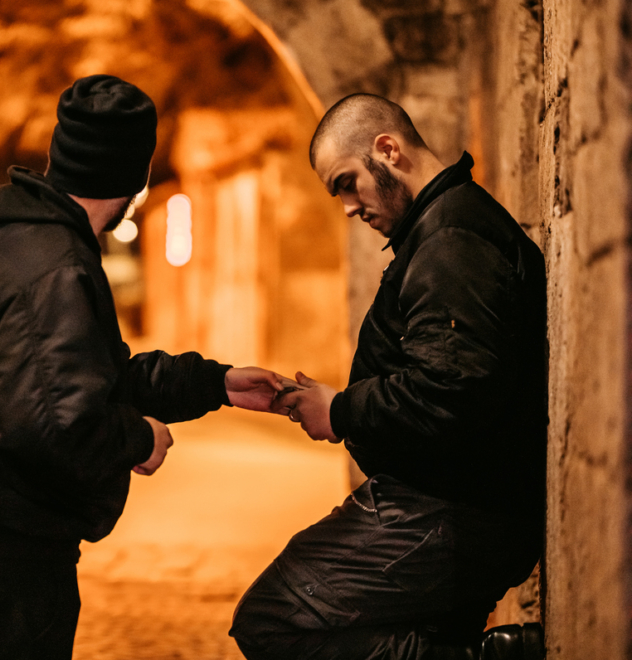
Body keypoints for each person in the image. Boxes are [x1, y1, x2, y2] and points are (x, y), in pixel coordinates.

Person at [0, 74, 287, 660]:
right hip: (3, 542)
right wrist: (138, 438)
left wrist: (216, 384)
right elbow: (53, 424)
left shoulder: (18, 240)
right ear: (137, 178)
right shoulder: (54, 266)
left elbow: (98, 374)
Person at [229, 94, 547, 660]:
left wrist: (343, 409)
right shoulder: (438, 231)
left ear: (388, 149)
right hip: (446, 506)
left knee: (272, 619)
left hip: (449, 512)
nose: (349, 207)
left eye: (348, 183)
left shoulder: (451, 240)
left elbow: (452, 390)